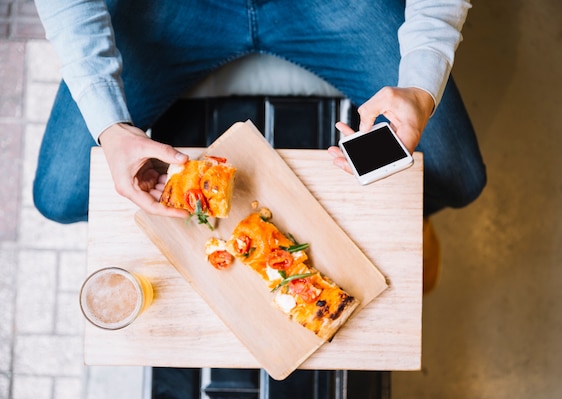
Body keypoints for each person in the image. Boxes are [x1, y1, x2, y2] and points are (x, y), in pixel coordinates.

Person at [33, 0, 486, 292]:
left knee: (459, 174)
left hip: (331, 6)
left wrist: (422, 88)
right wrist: (110, 126)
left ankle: (409, 216)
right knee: (59, 193)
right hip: (171, 10)